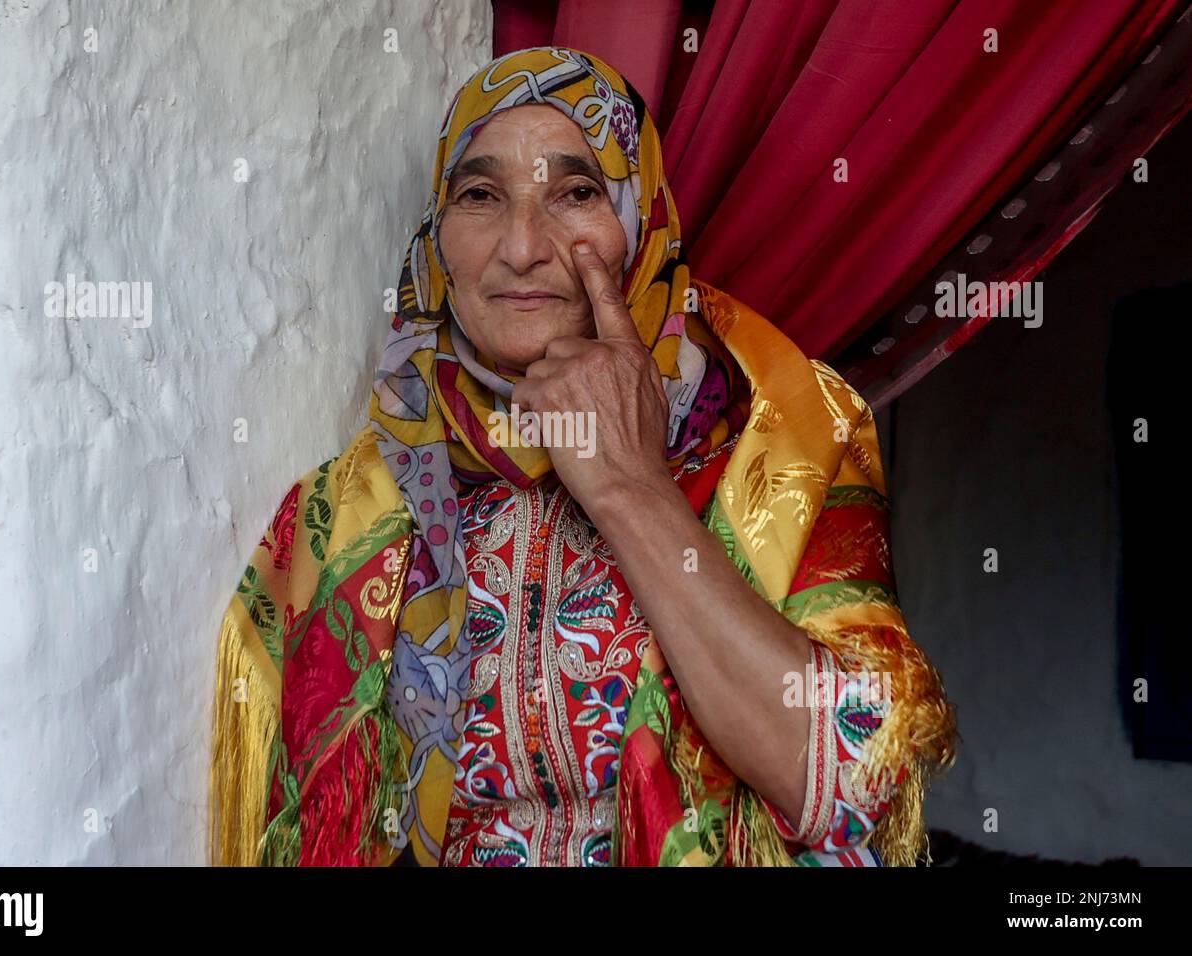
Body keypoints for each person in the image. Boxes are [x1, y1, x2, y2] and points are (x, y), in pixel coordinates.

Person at [209, 45, 956, 868]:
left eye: (576, 192)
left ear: (642, 222)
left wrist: (633, 489)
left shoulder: (779, 437)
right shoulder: (355, 504)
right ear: (438, 238)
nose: (523, 246)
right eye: (482, 195)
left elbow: (856, 785)